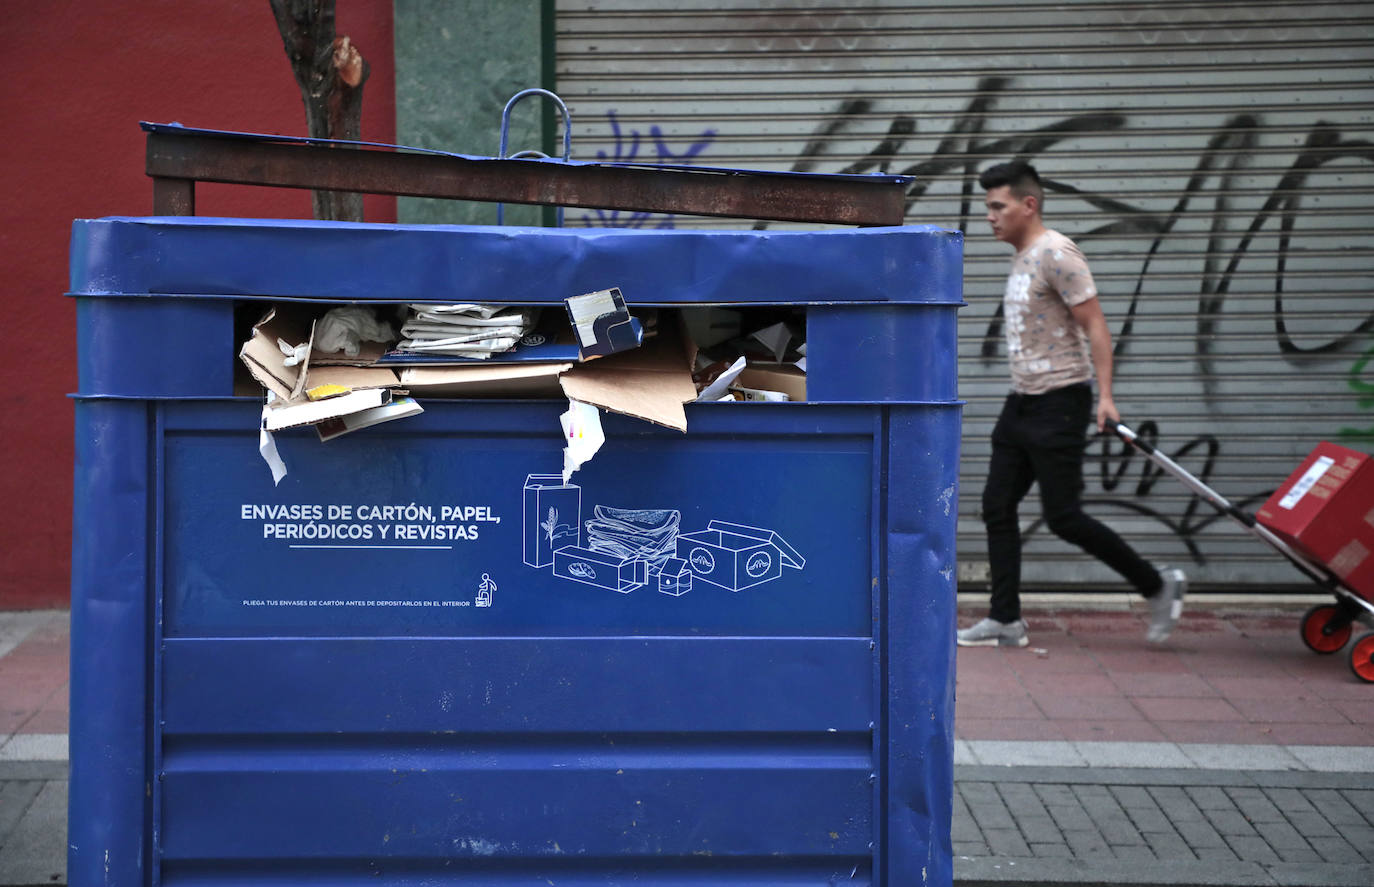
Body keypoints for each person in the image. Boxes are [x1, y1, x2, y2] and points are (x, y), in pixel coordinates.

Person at [957, 160, 1186, 648]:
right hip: (1022, 403)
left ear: (1028, 204)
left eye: (998, 207)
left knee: (1063, 517)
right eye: (987, 208)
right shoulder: (1022, 256)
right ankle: (1005, 618)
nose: (990, 218)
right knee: (997, 506)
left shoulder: (1057, 254)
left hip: (1061, 401)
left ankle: (1157, 584)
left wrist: (1105, 396)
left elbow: (1096, 325)